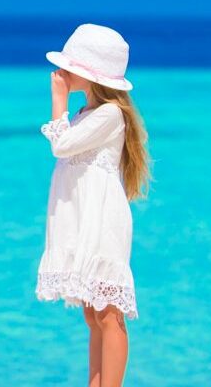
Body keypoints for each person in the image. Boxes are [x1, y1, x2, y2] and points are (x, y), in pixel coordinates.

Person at [38, 22, 152, 387]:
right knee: (92, 310)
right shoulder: (88, 114)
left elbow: (61, 146)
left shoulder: (110, 115)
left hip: (102, 220)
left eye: (69, 67)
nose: (61, 73)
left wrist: (58, 100)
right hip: (83, 218)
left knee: (107, 312)